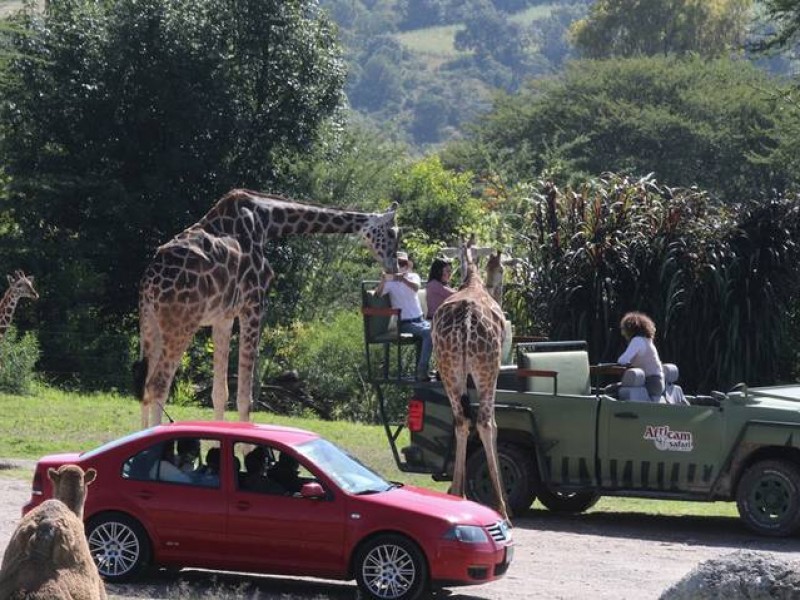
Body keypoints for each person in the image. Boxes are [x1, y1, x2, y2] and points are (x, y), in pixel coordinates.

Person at [375, 251, 433, 381]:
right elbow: (378, 294)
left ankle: (438, 369)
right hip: (405, 323)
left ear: (408, 265)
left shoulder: (413, 276)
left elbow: (416, 288)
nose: (401, 266)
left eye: (403, 263)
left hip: (420, 320)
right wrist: (383, 280)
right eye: (398, 263)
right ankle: (422, 370)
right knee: (429, 333)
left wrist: (403, 279)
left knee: (440, 331)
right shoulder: (390, 282)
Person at [618, 311, 664, 401]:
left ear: (630, 329)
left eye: (623, 329)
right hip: (658, 383)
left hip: (650, 383)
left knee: (609, 389)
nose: (623, 333)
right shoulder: (647, 340)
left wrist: (629, 364)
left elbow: (622, 360)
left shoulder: (637, 340)